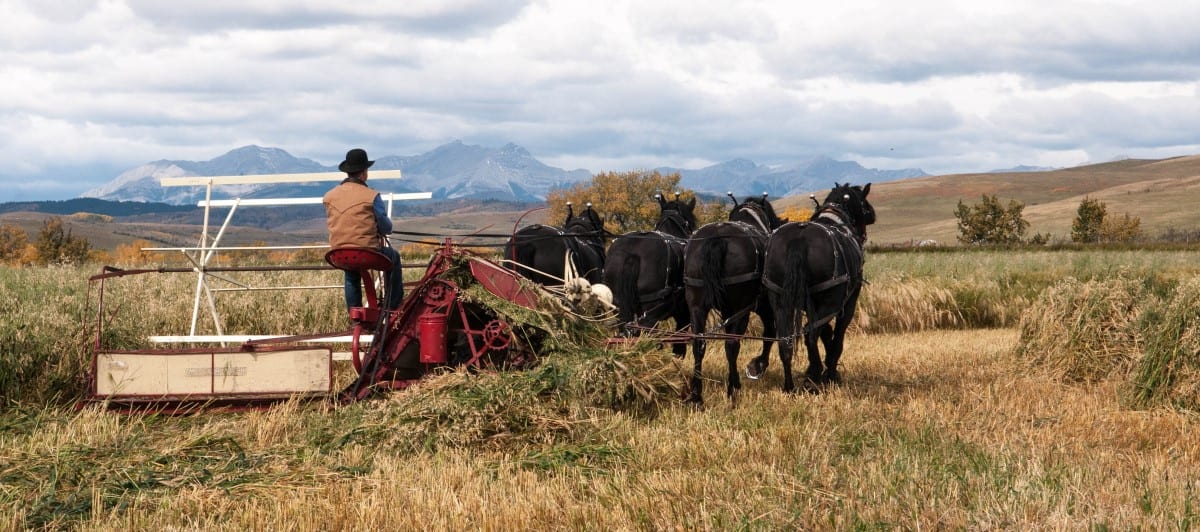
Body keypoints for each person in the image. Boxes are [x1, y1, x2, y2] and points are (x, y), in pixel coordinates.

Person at [323, 148, 404, 312]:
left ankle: (354, 313)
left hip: (338, 252)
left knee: (351, 272)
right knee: (393, 257)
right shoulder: (371, 195)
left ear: (347, 171)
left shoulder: (329, 196)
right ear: (364, 173)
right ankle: (392, 305)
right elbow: (386, 227)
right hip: (367, 251)